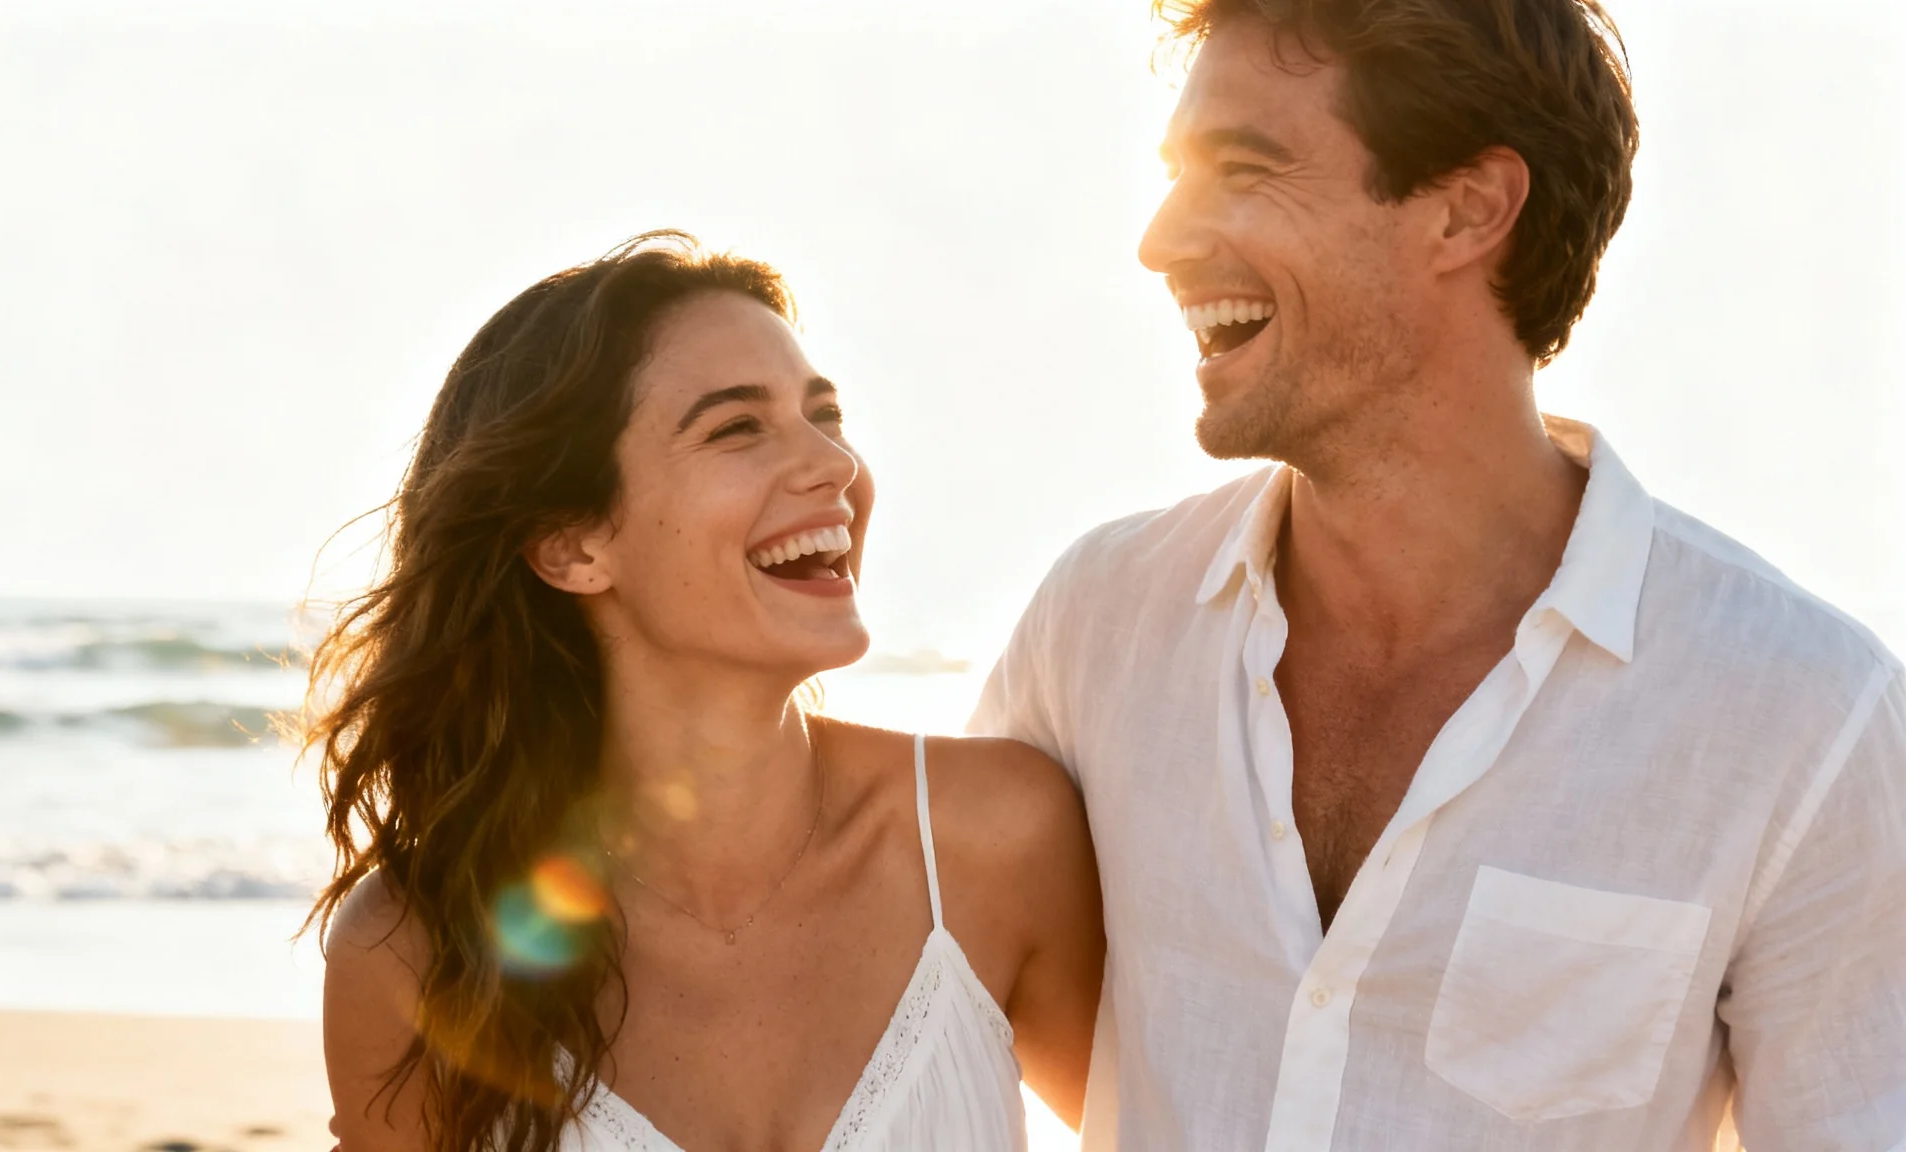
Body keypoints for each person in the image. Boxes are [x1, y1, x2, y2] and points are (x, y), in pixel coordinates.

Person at [970, 1, 1906, 1149]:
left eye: (1243, 169)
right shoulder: (1094, 626)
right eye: (1174, 173)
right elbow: (942, 995)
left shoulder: (1799, 714)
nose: (1159, 239)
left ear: (1466, 209)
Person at [309, 233, 1103, 1152]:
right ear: (571, 545)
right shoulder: (412, 949)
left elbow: (1190, 1114)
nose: (835, 467)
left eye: (826, 416)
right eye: (737, 428)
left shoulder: (990, 838)